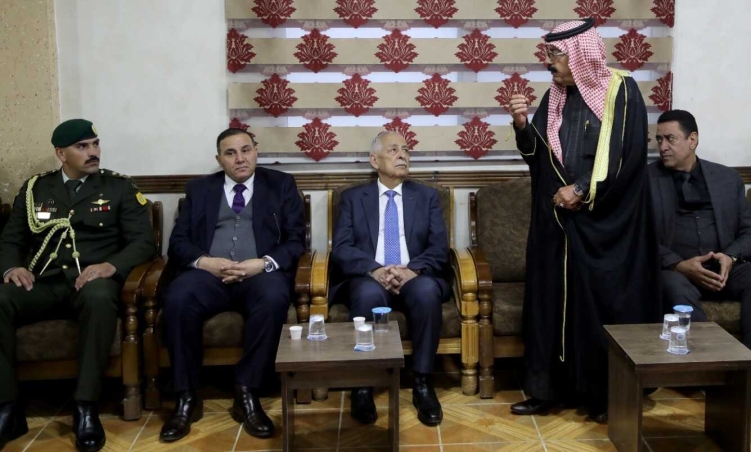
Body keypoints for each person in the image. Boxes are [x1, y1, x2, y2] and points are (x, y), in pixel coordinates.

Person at [507, 18, 660, 422]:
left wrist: (580, 189)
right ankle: (547, 391)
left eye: (555, 55)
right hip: (557, 225)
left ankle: (605, 396)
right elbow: (538, 158)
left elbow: (626, 155)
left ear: (579, 54)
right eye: (548, 55)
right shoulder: (554, 95)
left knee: (598, 309)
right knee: (550, 305)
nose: (549, 63)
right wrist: (522, 127)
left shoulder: (620, 90)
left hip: (604, 226)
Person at [0, 119, 156, 451]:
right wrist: (13, 267)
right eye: (82, 147)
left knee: (99, 298)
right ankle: (7, 407)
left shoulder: (119, 187)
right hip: (42, 282)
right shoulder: (35, 188)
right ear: (61, 154)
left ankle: (86, 407)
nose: (93, 152)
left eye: (95, 144)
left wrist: (111, 266)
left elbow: (143, 242)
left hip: (91, 282)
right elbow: (12, 239)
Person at [160, 128, 306, 441]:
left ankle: (247, 391)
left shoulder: (281, 184)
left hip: (259, 273)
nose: (240, 158)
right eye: (230, 153)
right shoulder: (200, 189)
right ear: (219, 159)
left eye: (245, 150)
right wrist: (206, 262)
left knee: (274, 296)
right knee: (178, 298)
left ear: (256, 151)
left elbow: (296, 240)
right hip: (209, 275)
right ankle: (186, 397)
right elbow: (178, 242)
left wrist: (263, 263)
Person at [649, 110, 751, 417]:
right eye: (659, 139)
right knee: (670, 285)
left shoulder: (726, 178)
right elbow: (638, 236)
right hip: (678, 272)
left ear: (692, 139)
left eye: (670, 139)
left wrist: (731, 257)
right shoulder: (646, 180)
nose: (663, 146)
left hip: (724, 268)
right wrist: (678, 264)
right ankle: (716, 372)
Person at [330, 131, 450, 426]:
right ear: (374, 160)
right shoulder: (353, 198)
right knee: (367, 295)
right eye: (394, 150)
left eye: (406, 150)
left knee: (426, 292)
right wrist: (376, 270)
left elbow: (439, 247)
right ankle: (363, 385)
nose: (402, 155)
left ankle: (422, 382)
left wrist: (411, 270)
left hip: (414, 274)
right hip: (369, 276)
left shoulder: (426, 196)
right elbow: (342, 248)